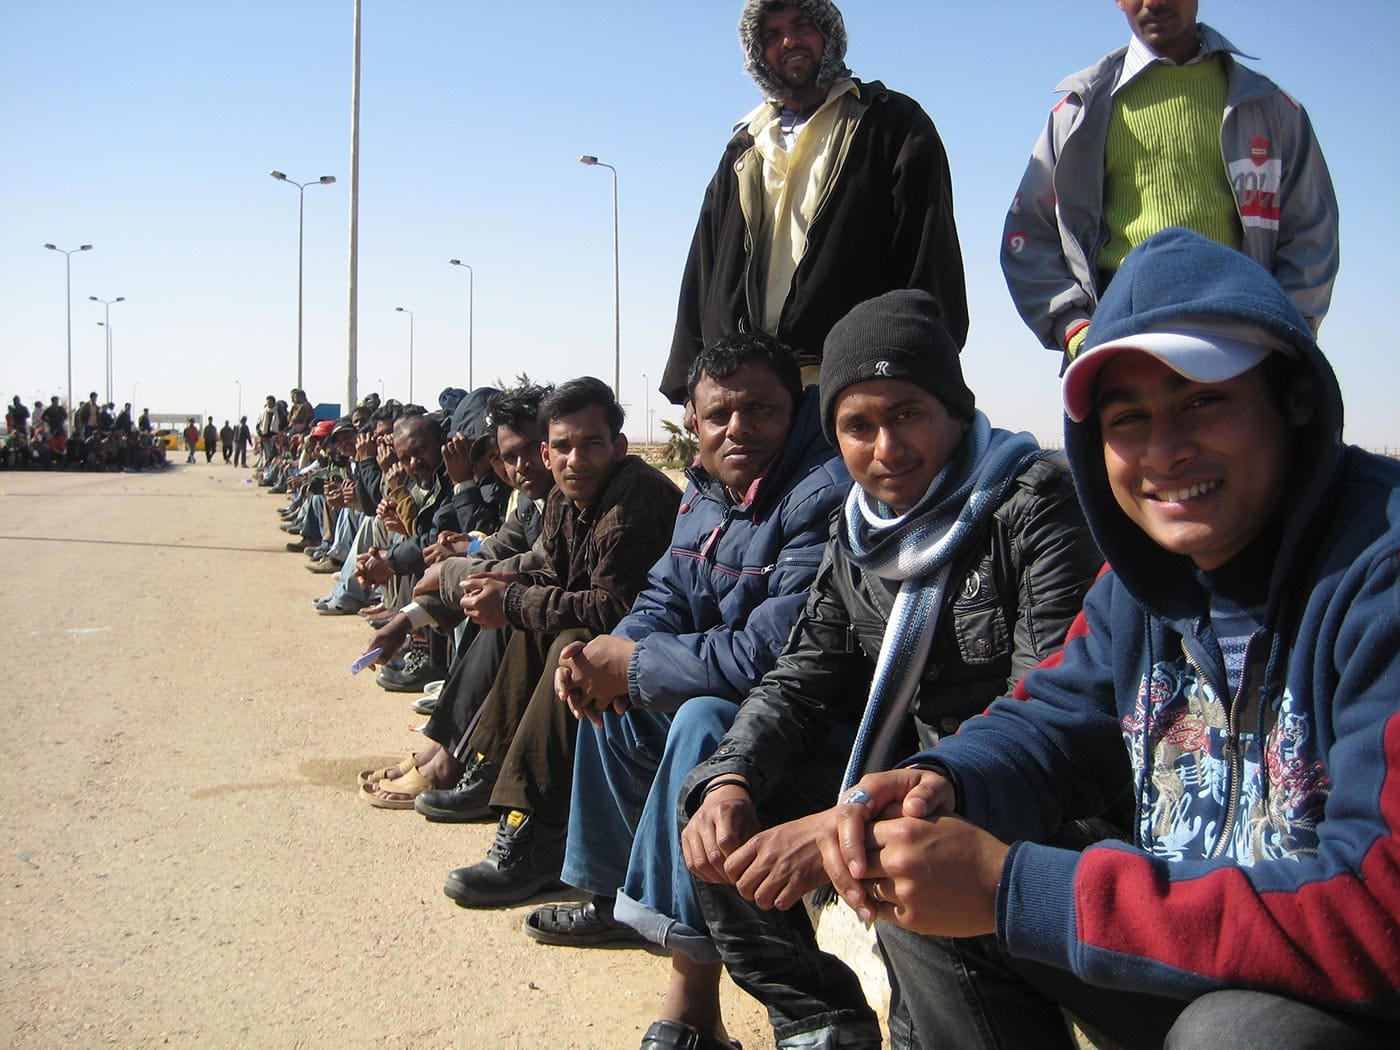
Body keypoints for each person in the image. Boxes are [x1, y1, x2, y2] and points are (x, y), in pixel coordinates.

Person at [796, 229, 1399, 1050]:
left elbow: (1380, 913)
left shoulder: (1379, 573)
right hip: (1203, 947)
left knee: (1243, 1035)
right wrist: (940, 782)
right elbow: (1051, 720)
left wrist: (1015, 888)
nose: (1164, 451)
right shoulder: (1143, 580)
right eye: (1129, 419)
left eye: (1202, 401)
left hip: (1343, 995)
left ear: (1292, 399)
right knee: (921, 876)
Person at [667, 290, 1102, 1049]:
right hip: (901, 782)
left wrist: (853, 820)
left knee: (907, 861)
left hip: (1021, 794)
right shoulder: (858, 531)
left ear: (955, 412)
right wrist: (730, 777)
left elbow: (1044, 714)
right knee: (717, 813)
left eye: (908, 413)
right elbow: (801, 677)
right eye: (857, 426)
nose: (886, 449)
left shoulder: (1032, 504)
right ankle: (822, 1024)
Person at [525, 335, 851, 1044]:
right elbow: (665, 597)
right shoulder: (708, 489)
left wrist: (635, 666)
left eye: (760, 408)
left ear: (793, 411)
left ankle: (692, 994)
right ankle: (610, 898)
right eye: (719, 415)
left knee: (701, 721)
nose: (739, 428)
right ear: (694, 426)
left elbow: (772, 656)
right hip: (737, 690)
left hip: (816, 719)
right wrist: (610, 654)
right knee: (610, 707)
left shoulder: (821, 493)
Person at [439, 377, 681, 907]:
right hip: (617, 643)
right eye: (564, 448)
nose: (576, 459)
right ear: (548, 454)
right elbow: (555, 577)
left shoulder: (634, 498)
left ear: (618, 447)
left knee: (568, 636)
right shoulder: (562, 502)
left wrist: (513, 600)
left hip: (658, 652)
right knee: (533, 622)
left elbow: (611, 608)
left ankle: (536, 834)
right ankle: (493, 774)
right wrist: (509, 595)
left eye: (591, 443)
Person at [1001, 0, 1339, 368]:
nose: (1154, 3)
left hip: (1242, 348)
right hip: (1116, 344)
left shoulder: (1271, 110)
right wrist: (1076, 328)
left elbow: (1311, 236)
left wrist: (1283, 336)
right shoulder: (1079, 113)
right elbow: (1029, 233)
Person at [659, 0, 967, 403]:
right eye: (771, 35)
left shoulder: (891, 125)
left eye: (802, 25)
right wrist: (691, 388)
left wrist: (916, 367)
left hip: (850, 380)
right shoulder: (744, 146)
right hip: (744, 391)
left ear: (829, 35)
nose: (788, 41)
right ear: (758, 54)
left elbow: (930, 256)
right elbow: (705, 268)